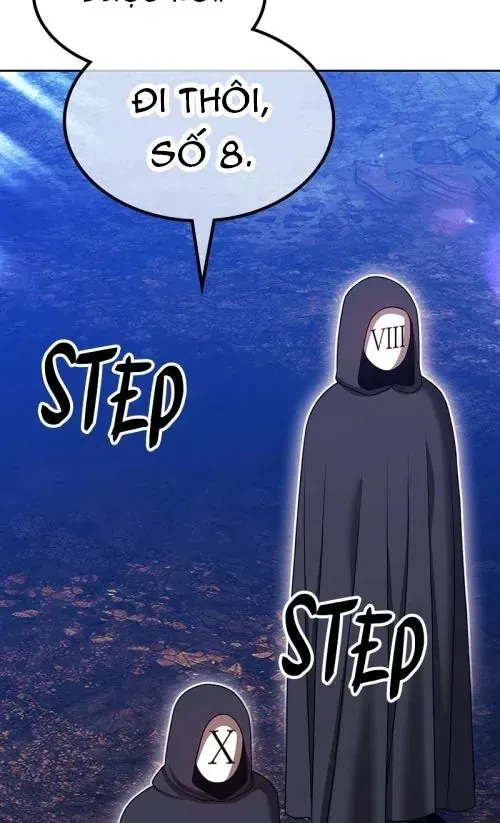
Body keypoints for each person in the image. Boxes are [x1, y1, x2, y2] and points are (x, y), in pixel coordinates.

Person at [284, 275, 475, 823]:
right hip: (349, 600)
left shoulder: (430, 408)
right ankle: (347, 794)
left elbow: (441, 526)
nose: (392, 343)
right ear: (354, 336)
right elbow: (320, 535)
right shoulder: (328, 416)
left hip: (419, 597)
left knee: (415, 684)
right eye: (380, 331)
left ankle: (417, 796)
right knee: (354, 687)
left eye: (401, 332)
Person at [119, 682, 280, 823]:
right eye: (212, 738)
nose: (222, 754)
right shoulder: (144, 811)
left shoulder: (260, 796)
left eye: (230, 737)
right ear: (185, 743)